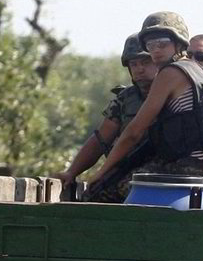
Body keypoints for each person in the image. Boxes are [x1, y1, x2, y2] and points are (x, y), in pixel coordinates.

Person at [90, 11, 203, 187]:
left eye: (162, 43)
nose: (156, 50)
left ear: (179, 43)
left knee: (105, 190)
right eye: (150, 44)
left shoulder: (170, 73)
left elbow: (133, 133)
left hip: (192, 170)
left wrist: (100, 173)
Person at [57, 33, 156, 196]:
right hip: (129, 168)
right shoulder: (126, 99)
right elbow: (100, 139)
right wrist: (72, 172)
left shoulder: (175, 93)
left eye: (146, 62)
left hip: (163, 171)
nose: (140, 69)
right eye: (134, 64)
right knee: (94, 195)